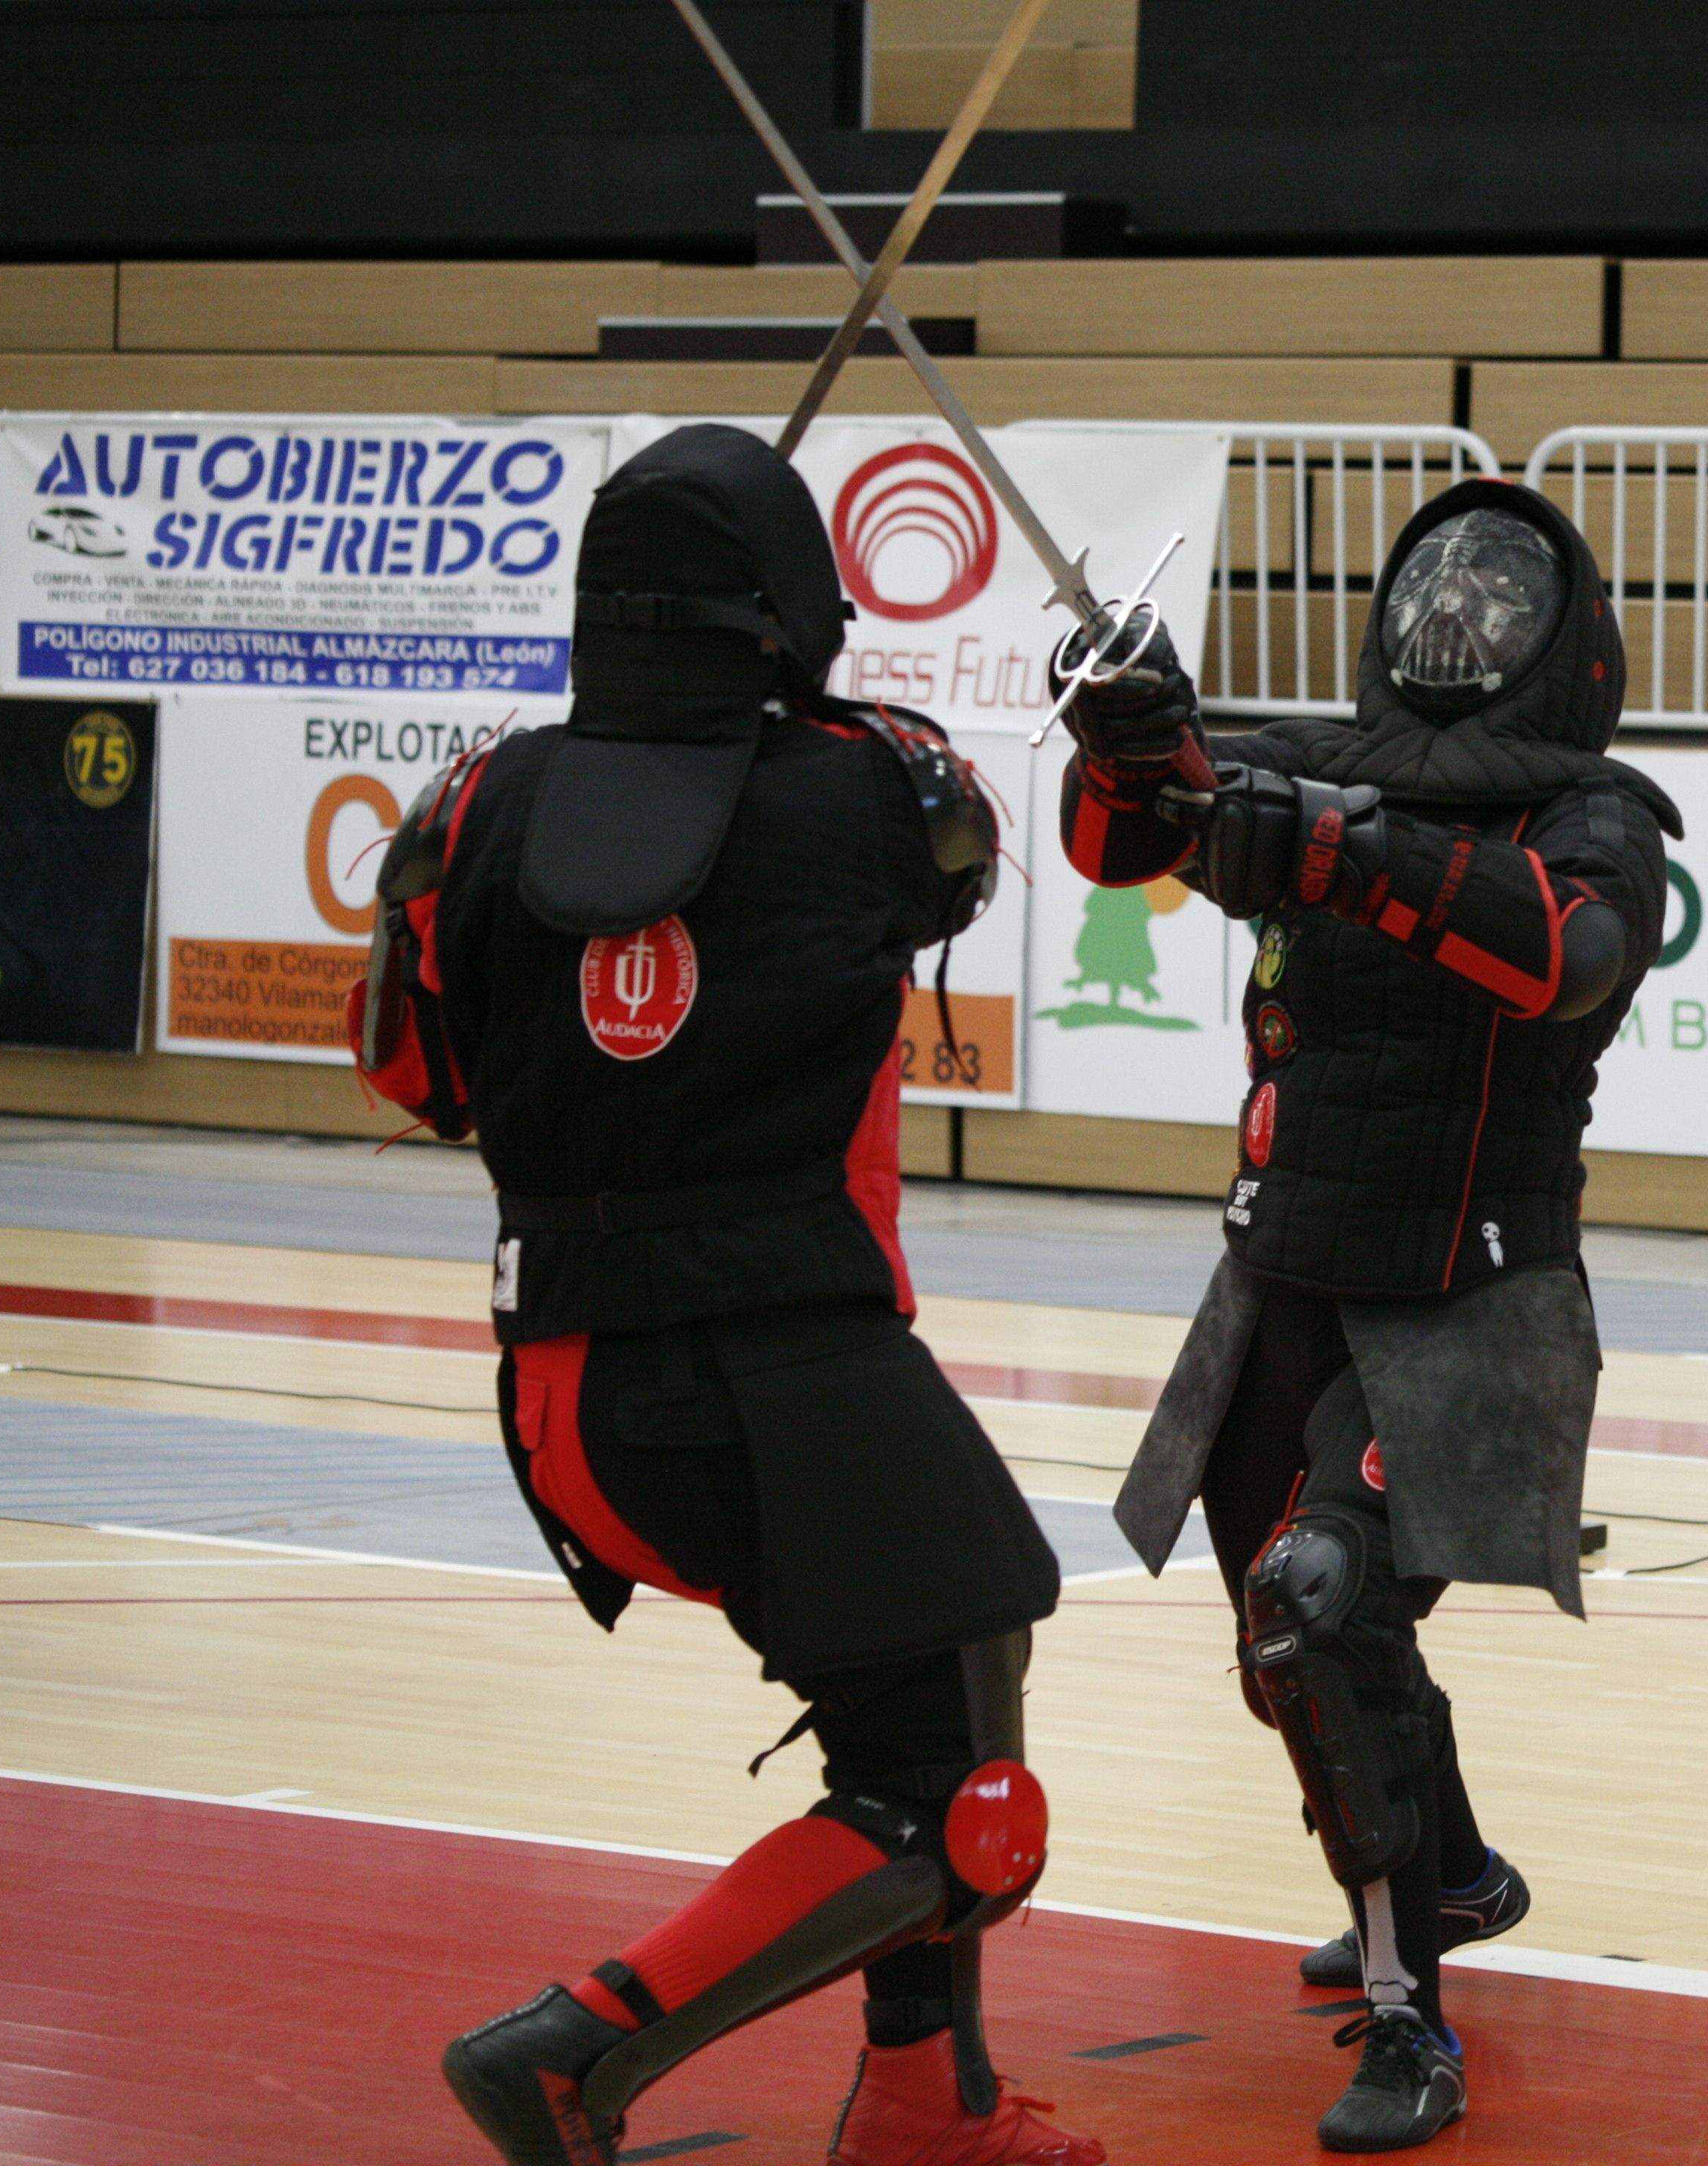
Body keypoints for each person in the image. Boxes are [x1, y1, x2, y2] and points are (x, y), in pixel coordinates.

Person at [353, 424, 1094, 2166]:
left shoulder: (470, 805)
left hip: (564, 1383)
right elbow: (961, 854)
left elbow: (407, 1071)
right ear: (789, 609)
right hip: (774, 1364)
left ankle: (932, 2100)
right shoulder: (870, 786)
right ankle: (570, 2054)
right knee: (955, 1805)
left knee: (958, 1646)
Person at [1051, 478, 1677, 2152]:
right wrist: (1130, 732)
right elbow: (1125, 837)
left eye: (1498, 605)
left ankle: (1410, 2019)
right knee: (1289, 1645)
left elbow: (1562, 954)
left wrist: (1328, 843)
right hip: (1284, 1280)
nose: (1459, 629)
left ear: (1561, 638)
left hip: (1471, 1301)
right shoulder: (1314, 764)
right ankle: (1450, 1871)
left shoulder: (1601, 818)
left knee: (1324, 1602)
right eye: (1440, 601)